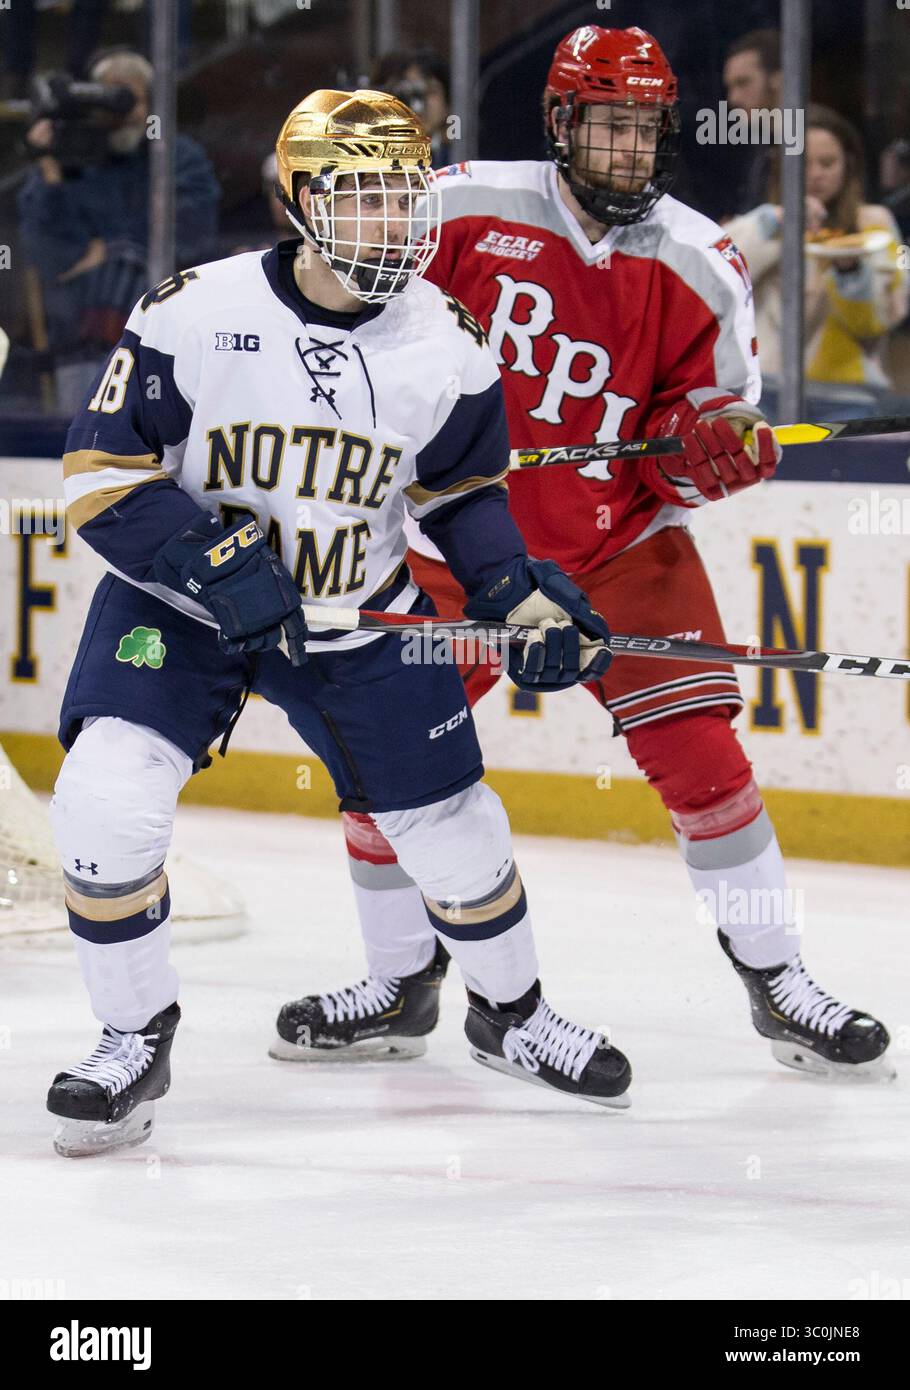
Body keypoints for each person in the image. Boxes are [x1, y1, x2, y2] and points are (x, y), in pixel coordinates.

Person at [291, 27, 892, 1083]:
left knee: (708, 767)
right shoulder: (463, 205)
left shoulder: (700, 257)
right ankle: (399, 981)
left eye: (644, 127)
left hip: (619, 546)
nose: (627, 147)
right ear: (562, 123)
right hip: (447, 547)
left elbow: (703, 431)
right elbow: (361, 322)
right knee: (380, 765)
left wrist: (708, 452)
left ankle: (777, 977)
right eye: (607, 124)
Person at [47, 88, 632, 1158]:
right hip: (179, 611)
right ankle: (131, 1039)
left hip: (355, 610)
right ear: (301, 199)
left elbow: (462, 496)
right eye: (363, 198)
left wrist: (516, 591)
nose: (394, 223)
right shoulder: (192, 310)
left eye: (405, 198)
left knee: (456, 834)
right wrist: (210, 559)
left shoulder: (447, 342)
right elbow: (97, 473)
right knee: (102, 804)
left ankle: (510, 1016)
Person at [18, 49, 220, 414]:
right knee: (81, 453)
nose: (120, 112)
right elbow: (48, 255)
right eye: (107, 98)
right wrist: (48, 167)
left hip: (167, 347)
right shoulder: (67, 160)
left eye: (130, 98)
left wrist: (106, 247)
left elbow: (193, 235)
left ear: (151, 102)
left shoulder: (175, 156)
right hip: (81, 345)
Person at [726, 105, 908, 388]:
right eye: (803, 163)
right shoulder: (767, 221)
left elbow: (882, 319)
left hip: (849, 392)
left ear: (848, 164)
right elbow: (718, 274)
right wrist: (775, 221)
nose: (815, 174)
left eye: (827, 163)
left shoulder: (874, 224)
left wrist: (850, 271)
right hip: (767, 386)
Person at [720, 28, 781, 218]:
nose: (733, 98)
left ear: (777, 80)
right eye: (730, 87)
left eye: (743, 83)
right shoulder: (761, 147)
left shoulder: (813, 138)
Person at [371, 48, 451, 167]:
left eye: (430, 91)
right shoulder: (366, 163)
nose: (417, 105)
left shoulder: (461, 160)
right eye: (405, 93)